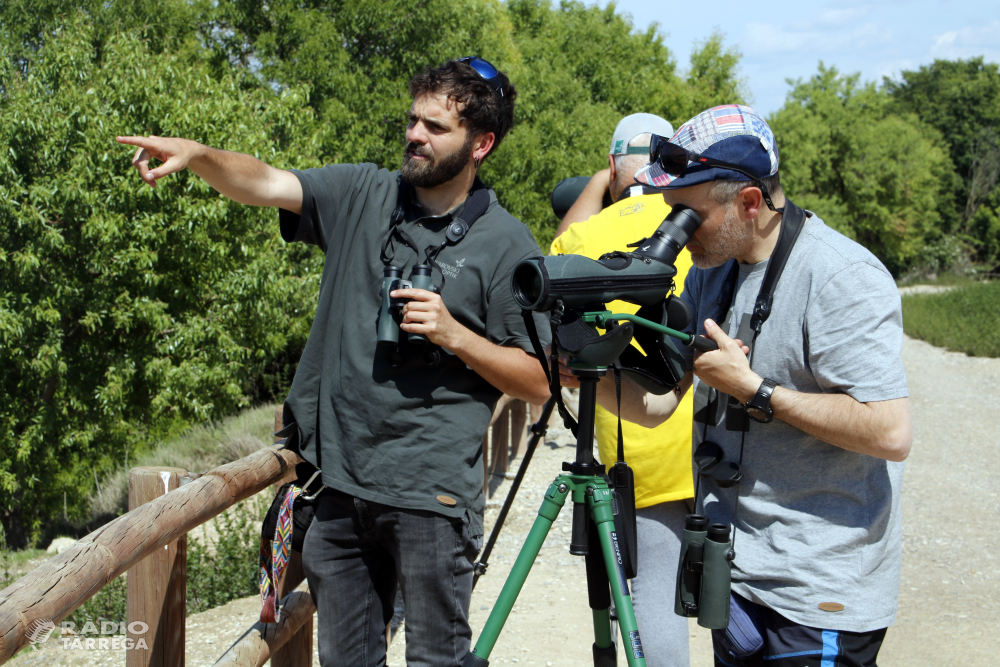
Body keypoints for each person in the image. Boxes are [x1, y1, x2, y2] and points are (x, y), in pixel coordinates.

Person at [117, 57, 550, 667]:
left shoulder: (507, 244)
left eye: (435, 127)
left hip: (432, 497)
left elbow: (538, 382)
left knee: (437, 660)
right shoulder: (364, 193)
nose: (415, 136)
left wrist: (455, 336)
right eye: (412, 120)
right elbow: (265, 182)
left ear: (482, 144)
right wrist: (199, 155)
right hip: (336, 488)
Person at [560, 104, 912, 667]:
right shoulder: (710, 272)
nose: (672, 230)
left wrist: (756, 390)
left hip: (815, 591)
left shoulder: (842, 276)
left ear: (750, 202)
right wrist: (583, 372)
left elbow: (890, 431)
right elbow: (656, 405)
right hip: (736, 574)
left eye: (686, 214)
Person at [550, 112, 695, 667]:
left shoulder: (586, 236)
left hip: (639, 452)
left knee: (653, 618)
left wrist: (601, 181)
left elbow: (559, 252)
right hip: (715, 447)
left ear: (613, 167)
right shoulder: (696, 219)